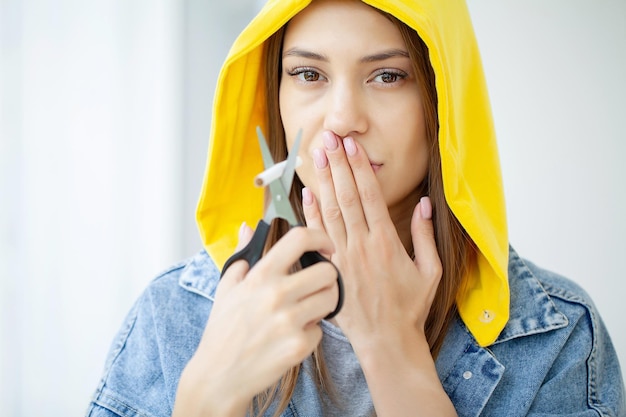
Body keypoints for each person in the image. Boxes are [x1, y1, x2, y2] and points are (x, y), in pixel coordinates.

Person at [85, 0, 625, 416]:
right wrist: (204, 398)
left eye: (388, 75)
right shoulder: (172, 315)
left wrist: (393, 349)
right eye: (308, 75)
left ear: (443, 103)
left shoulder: (556, 335)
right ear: (272, 95)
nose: (342, 118)